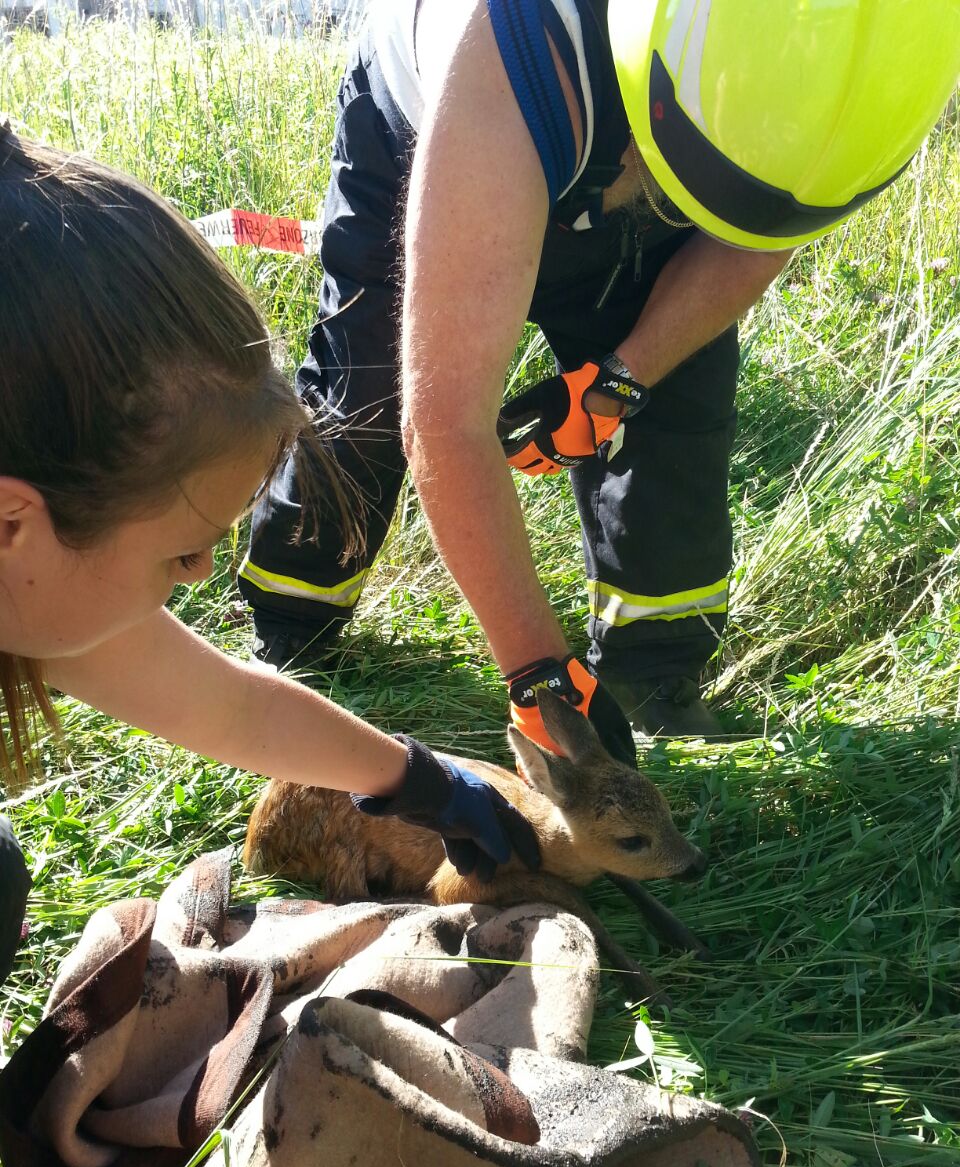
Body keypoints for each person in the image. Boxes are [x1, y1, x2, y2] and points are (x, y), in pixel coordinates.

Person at [240, 0, 960, 747]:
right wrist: (539, 675)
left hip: (612, 125)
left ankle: (652, 673)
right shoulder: (511, 55)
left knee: (677, 407)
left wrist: (622, 378)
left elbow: (764, 232)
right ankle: (293, 628)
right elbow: (445, 424)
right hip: (450, 124)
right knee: (370, 392)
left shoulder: (857, 89)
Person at [0, 126, 540, 986]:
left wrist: (418, 781)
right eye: (182, 551)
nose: (199, 577)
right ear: (12, 523)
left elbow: (231, 708)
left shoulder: (29, 583)